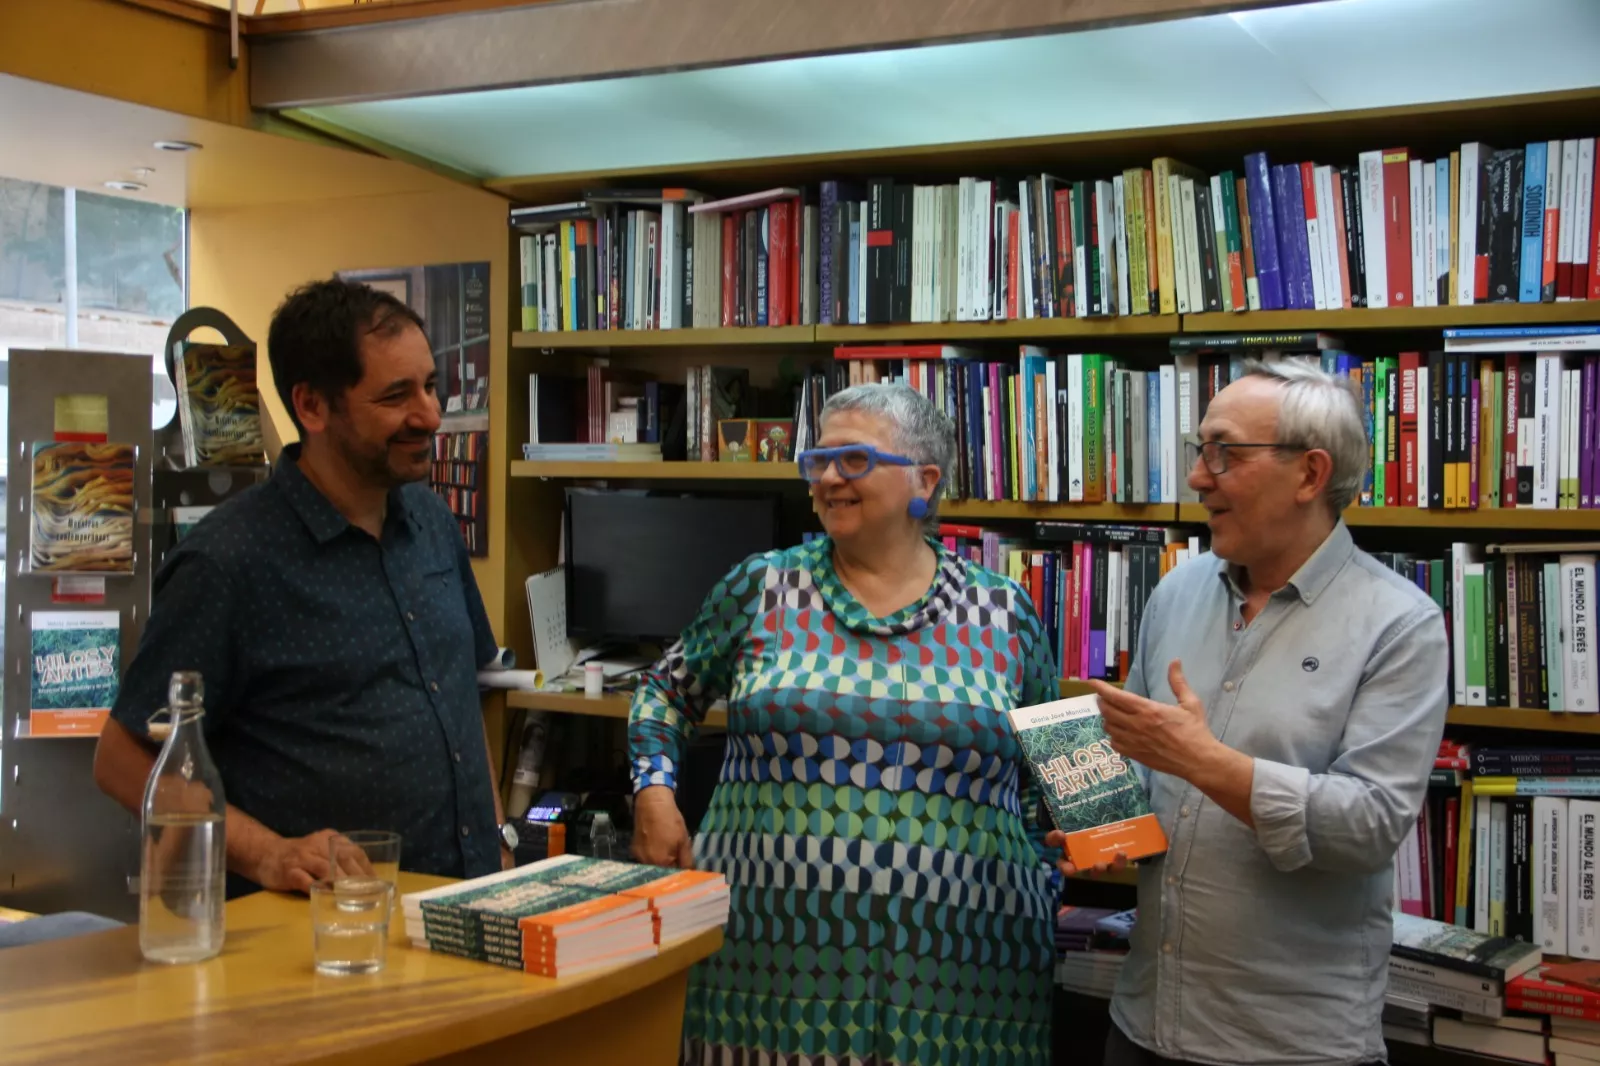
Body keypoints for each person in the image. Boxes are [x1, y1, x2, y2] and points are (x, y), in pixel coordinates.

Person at [630, 383, 1060, 1066]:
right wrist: (653, 792)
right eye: (817, 460)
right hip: (767, 968)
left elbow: (1063, 765)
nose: (828, 478)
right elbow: (664, 691)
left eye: (853, 459)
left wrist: (1048, 874)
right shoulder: (760, 588)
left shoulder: (1004, 612)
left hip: (965, 975)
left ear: (925, 481)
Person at [1055, 361, 1449, 1066]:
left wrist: (1204, 762)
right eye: (1198, 451)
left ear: (1309, 474)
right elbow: (1146, 778)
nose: (1199, 478)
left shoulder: (1400, 625)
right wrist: (1094, 821)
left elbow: (1368, 827)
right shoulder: (1177, 594)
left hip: (1289, 1045)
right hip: (1142, 1025)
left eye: (1223, 453)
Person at [94, 278, 515, 897]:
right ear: (313, 407)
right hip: (317, 934)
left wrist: (499, 840)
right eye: (396, 395)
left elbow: (460, 694)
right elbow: (122, 761)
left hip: (462, 907)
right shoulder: (228, 562)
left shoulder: (431, 521)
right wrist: (268, 854)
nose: (428, 415)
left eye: (430, 386)